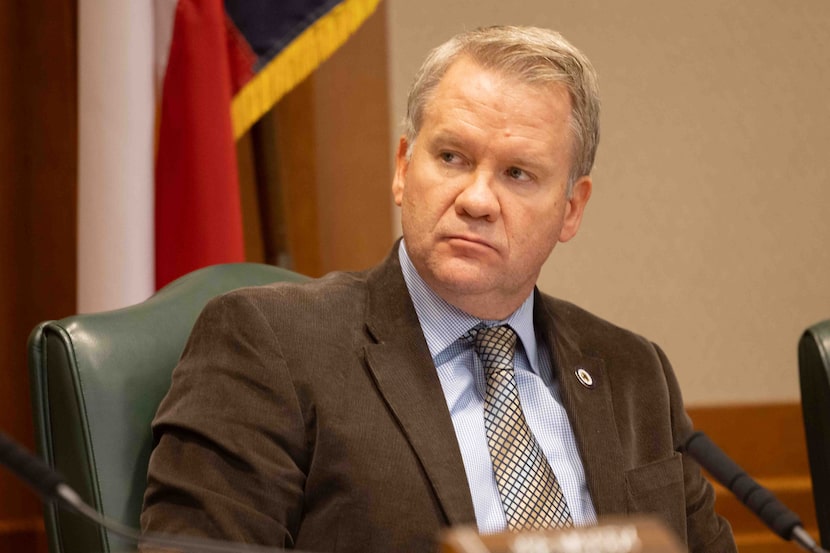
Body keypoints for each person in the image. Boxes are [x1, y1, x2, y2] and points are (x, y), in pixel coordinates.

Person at [141, 26, 736, 553]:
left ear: (571, 209)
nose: (476, 200)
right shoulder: (271, 343)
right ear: (403, 168)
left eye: (517, 174)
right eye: (451, 157)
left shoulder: (634, 372)